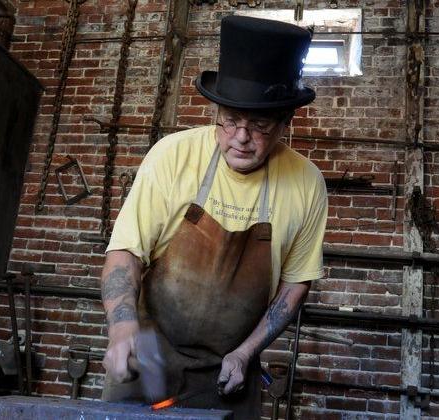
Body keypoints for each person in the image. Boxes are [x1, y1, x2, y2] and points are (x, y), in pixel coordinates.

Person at [99, 15, 327, 419]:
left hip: (231, 370)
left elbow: (294, 287)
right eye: (230, 120)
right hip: (148, 358)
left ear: (284, 125)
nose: (241, 137)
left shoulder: (306, 184)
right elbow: (126, 254)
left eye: (258, 125)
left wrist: (245, 354)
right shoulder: (173, 155)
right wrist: (122, 327)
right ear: (215, 111)